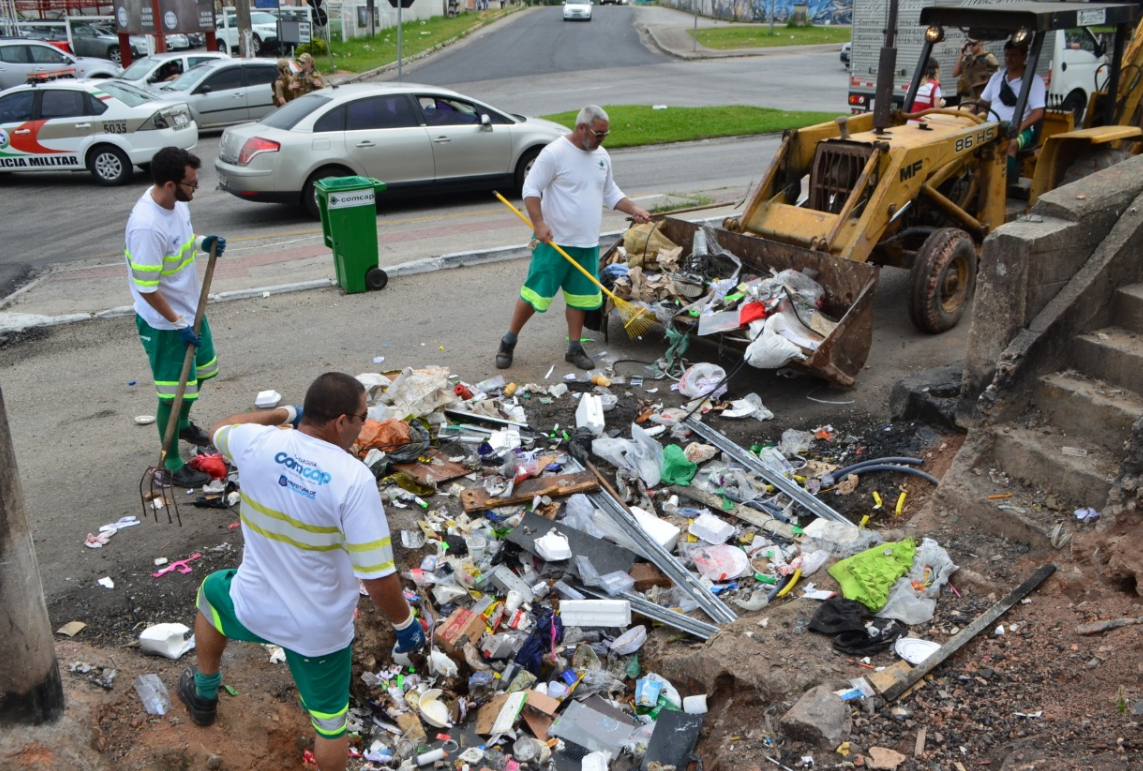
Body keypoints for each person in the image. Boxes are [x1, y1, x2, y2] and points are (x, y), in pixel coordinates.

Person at [177, 372, 426, 771]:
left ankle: (204, 694)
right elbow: (377, 576)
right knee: (330, 724)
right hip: (317, 632)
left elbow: (220, 429)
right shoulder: (353, 479)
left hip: (252, 605)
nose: (364, 425)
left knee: (210, 595)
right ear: (341, 421)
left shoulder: (259, 442)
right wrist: (404, 622)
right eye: (363, 417)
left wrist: (282, 412)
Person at [495, 105, 652, 371]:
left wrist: (634, 209)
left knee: (579, 298)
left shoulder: (601, 156)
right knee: (536, 294)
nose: (603, 139)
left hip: (587, 243)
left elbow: (610, 192)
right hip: (554, 243)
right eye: (599, 134)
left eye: (605, 134)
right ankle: (508, 341)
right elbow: (530, 189)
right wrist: (539, 223)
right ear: (582, 128)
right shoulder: (554, 153)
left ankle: (574, 348)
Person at [125, 147, 226, 488]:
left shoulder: (176, 204)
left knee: (200, 375)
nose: (195, 189)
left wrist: (202, 243)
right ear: (170, 184)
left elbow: (180, 240)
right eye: (191, 184)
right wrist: (178, 323)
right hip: (164, 321)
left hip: (190, 308)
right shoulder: (146, 227)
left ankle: (181, 425)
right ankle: (170, 464)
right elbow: (146, 288)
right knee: (173, 393)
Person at [975, 38, 1046, 176]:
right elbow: (982, 102)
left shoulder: (1033, 81)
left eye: (1013, 55)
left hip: (1019, 129)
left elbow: (1038, 113)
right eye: (1007, 55)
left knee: (1011, 145)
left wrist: (1019, 127)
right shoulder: (997, 77)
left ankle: (1002, 188)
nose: (1009, 59)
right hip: (991, 126)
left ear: (1024, 57)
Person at [953, 37, 999, 103]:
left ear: (981, 42)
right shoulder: (967, 59)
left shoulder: (988, 57)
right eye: (969, 44)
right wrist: (961, 56)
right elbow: (954, 74)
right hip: (966, 99)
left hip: (981, 98)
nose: (971, 47)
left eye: (973, 44)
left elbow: (997, 76)